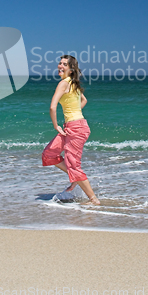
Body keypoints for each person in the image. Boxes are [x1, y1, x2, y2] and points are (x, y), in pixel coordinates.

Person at [42, 55, 100, 205]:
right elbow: (84, 100)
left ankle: (93, 200)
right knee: (49, 154)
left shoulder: (64, 83)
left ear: (71, 69)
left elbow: (52, 107)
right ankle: (74, 177)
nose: (60, 66)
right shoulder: (72, 83)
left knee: (74, 165)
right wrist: (73, 116)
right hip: (73, 126)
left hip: (76, 129)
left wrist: (56, 125)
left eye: (64, 64)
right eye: (59, 63)